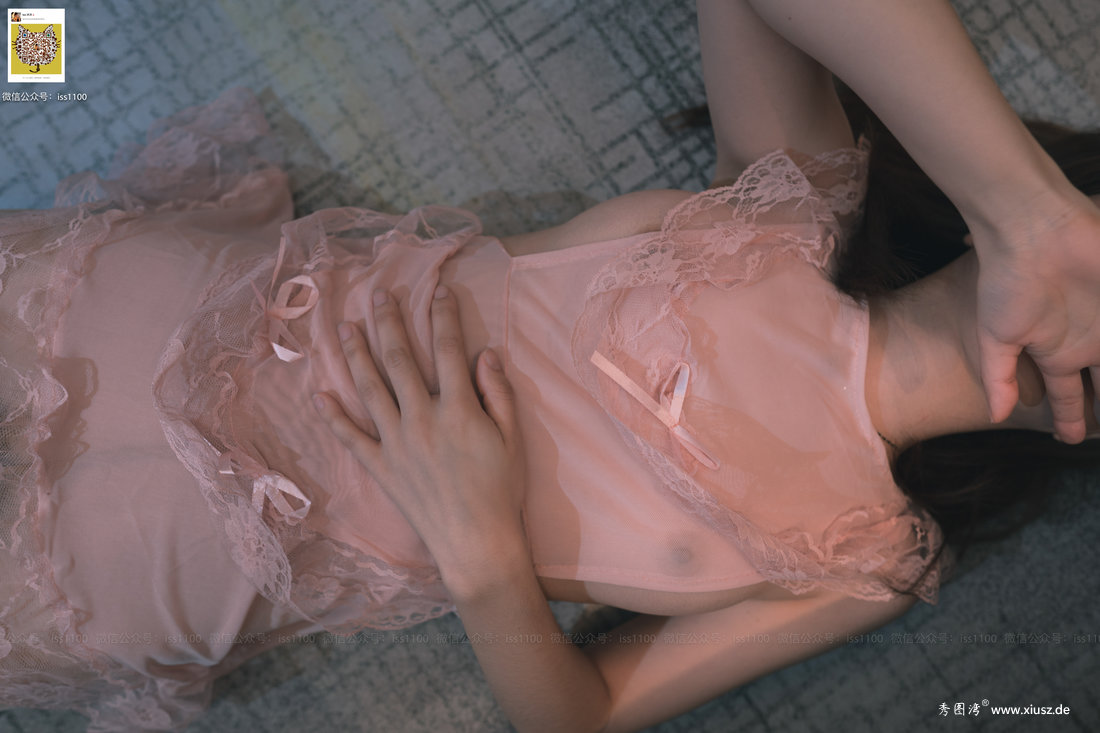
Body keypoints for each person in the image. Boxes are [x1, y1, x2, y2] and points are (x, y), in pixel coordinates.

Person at [1, 2, 1098, 732]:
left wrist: (480, 549)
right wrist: (1023, 208)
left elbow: (580, 715)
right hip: (138, 314)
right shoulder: (791, 201)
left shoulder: (868, 558)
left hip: (162, 564)